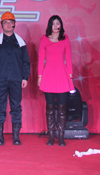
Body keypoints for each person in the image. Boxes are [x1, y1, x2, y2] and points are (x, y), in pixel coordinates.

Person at [0, 11, 31, 146]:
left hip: (16, 79)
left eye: (10, 22)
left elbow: (26, 61)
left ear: (14, 24)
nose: (8, 24)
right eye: (5, 22)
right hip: (0, 79)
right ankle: (0, 137)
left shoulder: (20, 43)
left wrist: (25, 77)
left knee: (16, 107)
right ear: (1, 25)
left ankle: (16, 136)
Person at [37, 15, 73, 147]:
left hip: (62, 76)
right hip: (48, 76)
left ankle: (61, 136)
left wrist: (70, 75)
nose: (56, 26)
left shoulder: (65, 39)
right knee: (50, 107)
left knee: (62, 108)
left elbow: (68, 57)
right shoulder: (44, 40)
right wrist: (39, 77)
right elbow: (41, 59)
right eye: (53, 24)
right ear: (49, 26)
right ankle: (51, 136)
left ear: (61, 25)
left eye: (58, 23)